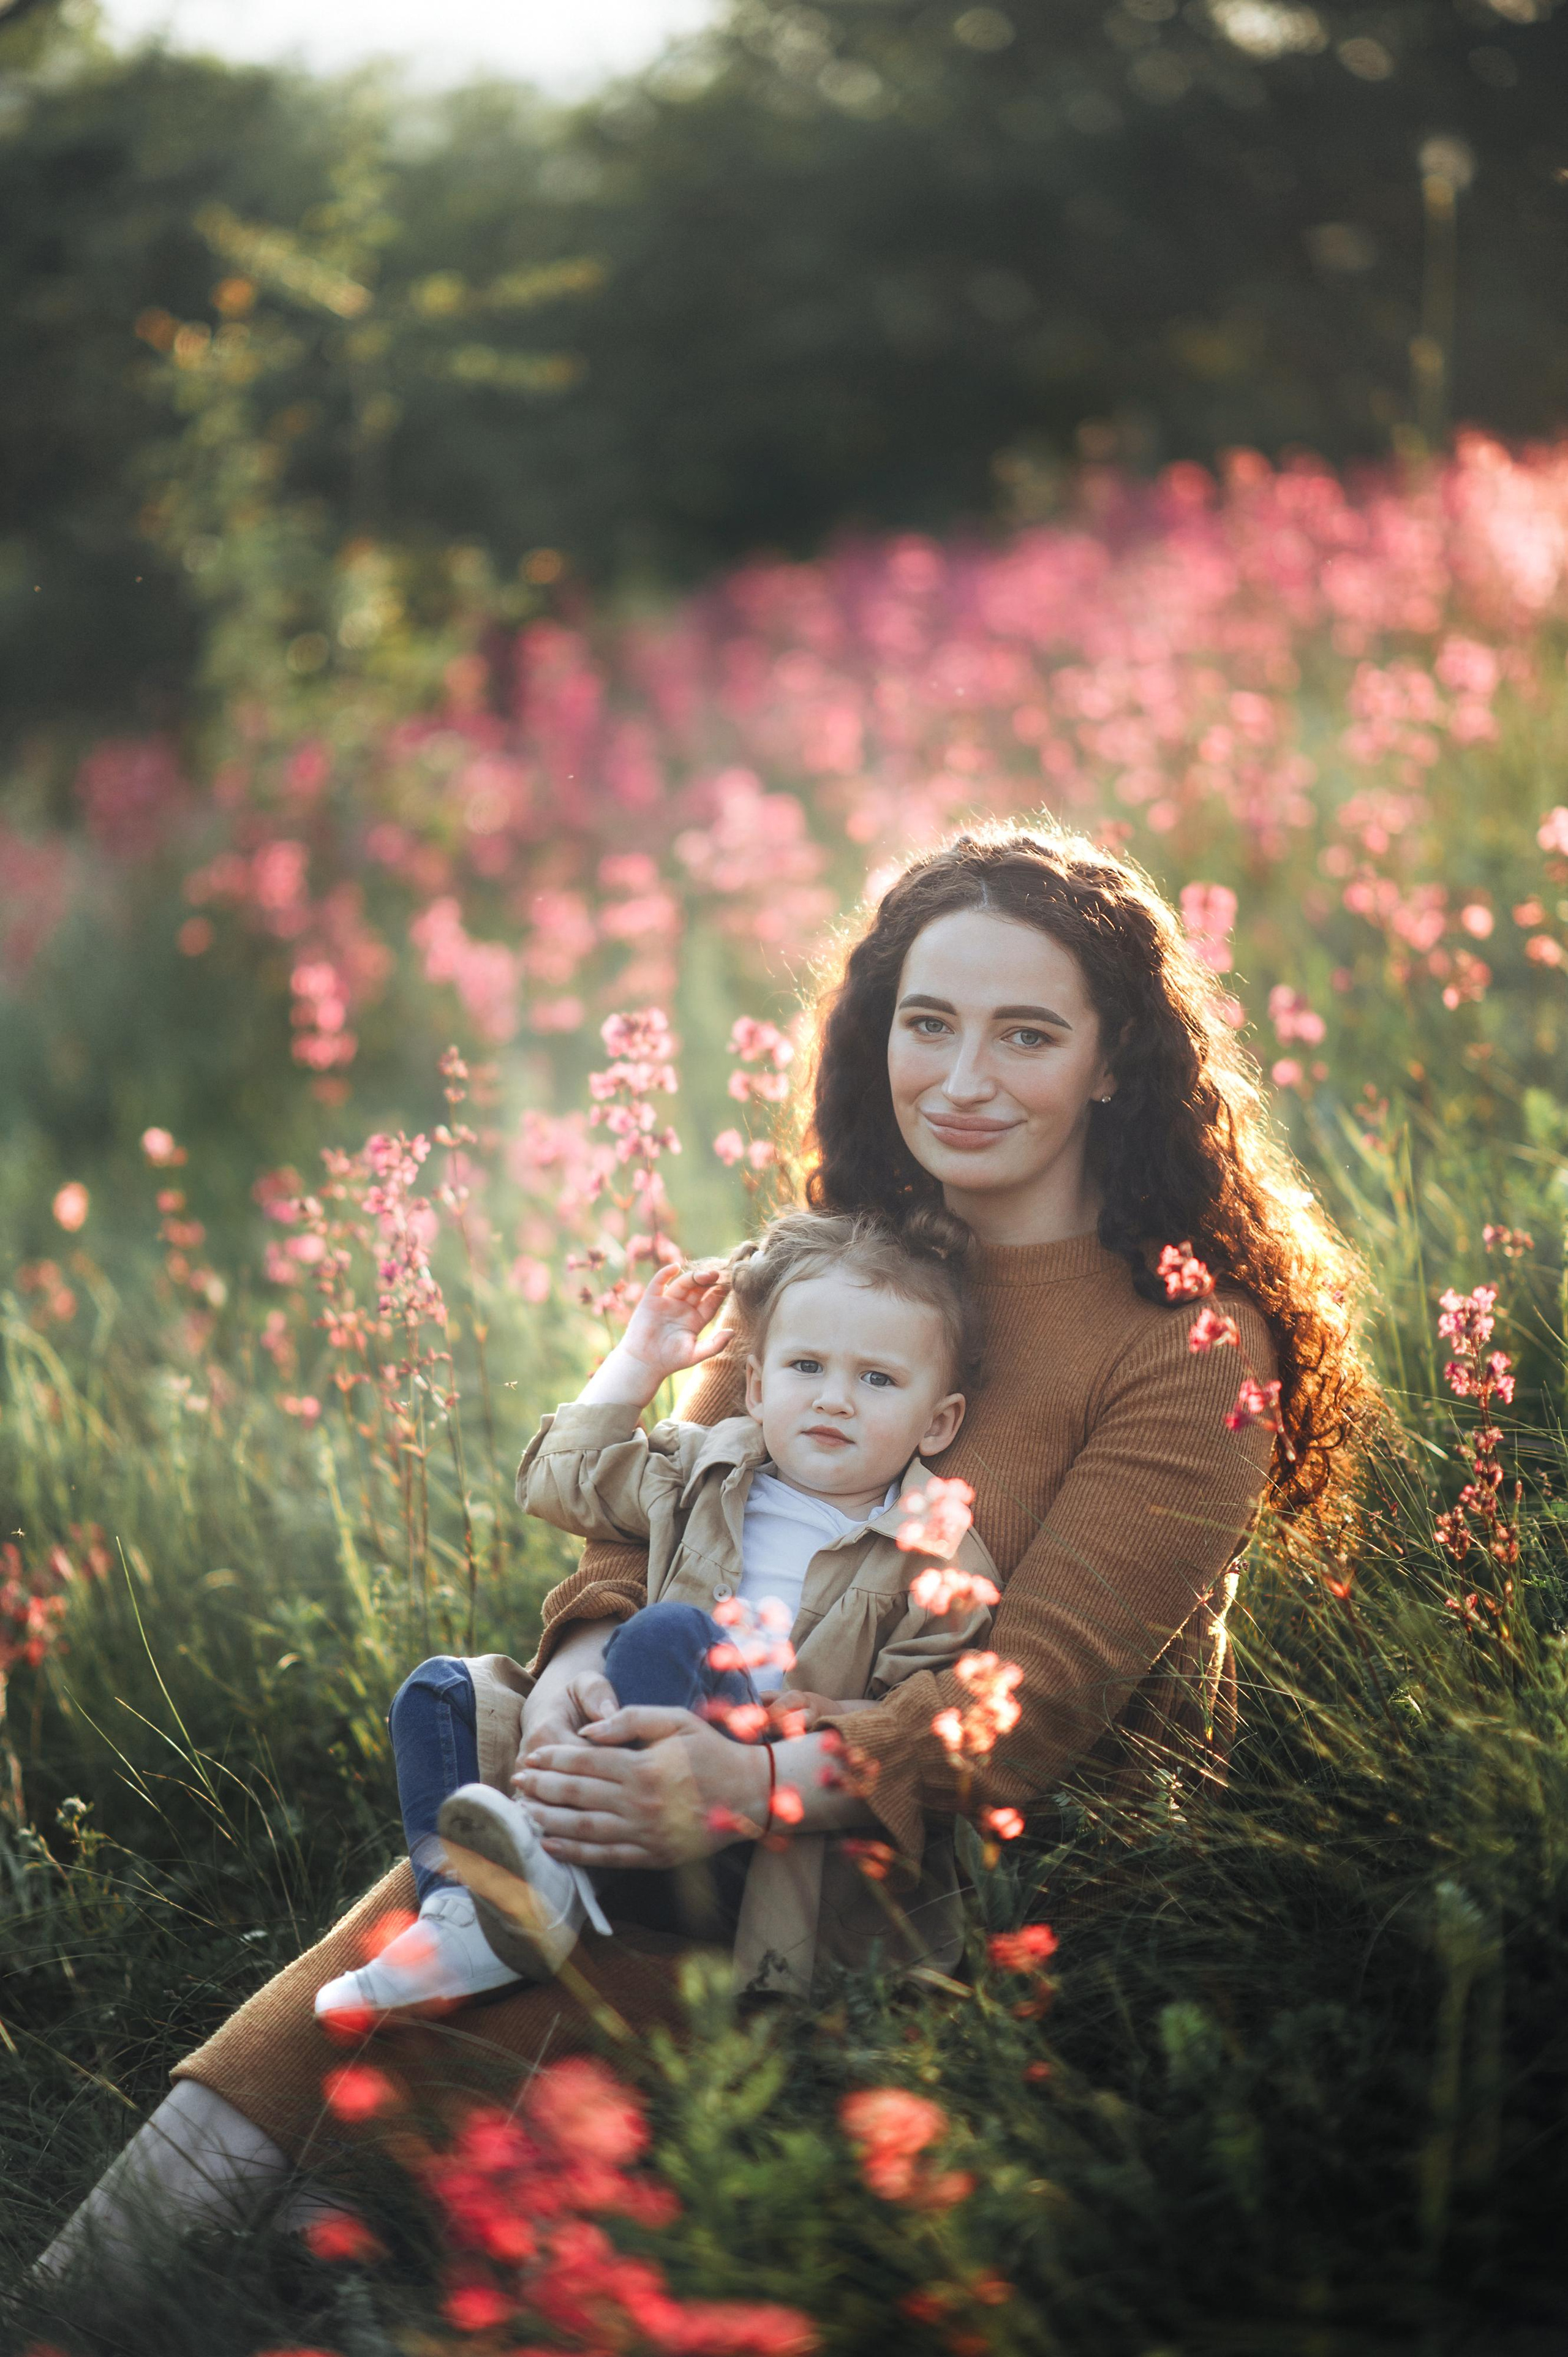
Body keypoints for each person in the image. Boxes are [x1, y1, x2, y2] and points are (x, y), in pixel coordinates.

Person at [34, 822, 1376, 2279]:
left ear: (1116, 1062)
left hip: (971, 1854)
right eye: (926, 1024)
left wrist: (744, 1779)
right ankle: (107, 2281)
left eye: (1026, 1034)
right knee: (528, 1823)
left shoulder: (1185, 1342)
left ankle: (323, 2241)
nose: (963, 1077)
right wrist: (582, 1674)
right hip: (708, 1759)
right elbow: (654, 1523)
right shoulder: (832, 1267)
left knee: (537, 1885)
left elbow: (1033, 1704)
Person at [311, 1207, 997, 2025]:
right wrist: (641, 1361)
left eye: (877, 1379)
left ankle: (541, 1882)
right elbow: (559, 1482)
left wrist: (847, 1715)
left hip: (745, 1841)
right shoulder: (702, 1466)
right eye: (806, 1366)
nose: (835, 1400)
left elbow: (938, 1714)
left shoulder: (938, 1555)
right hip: (618, 1768)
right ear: (756, 1385)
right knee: (441, 1694)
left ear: (940, 1421)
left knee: (670, 1634)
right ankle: (468, 1915)